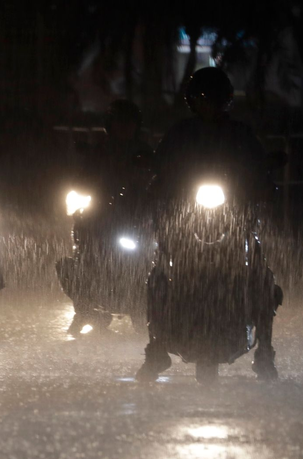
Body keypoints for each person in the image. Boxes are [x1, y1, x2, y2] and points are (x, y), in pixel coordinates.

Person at [135, 67, 280, 381]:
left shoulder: (241, 135)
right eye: (203, 98)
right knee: (159, 277)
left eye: (215, 98)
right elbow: (159, 170)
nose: (209, 105)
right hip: (185, 224)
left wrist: (266, 184)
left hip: (235, 223)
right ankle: (156, 350)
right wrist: (155, 185)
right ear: (192, 101)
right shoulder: (179, 135)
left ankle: (265, 352)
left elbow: (259, 170)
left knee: (262, 277)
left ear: (226, 100)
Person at [65, 99, 153, 334]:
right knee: (82, 256)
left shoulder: (146, 153)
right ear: (110, 125)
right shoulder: (98, 152)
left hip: (136, 219)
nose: (124, 128)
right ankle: (84, 307)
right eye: (119, 123)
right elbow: (80, 181)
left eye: (129, 123)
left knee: (156, 260)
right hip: (101, 219)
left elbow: (158, 181)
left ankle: (149, 306)